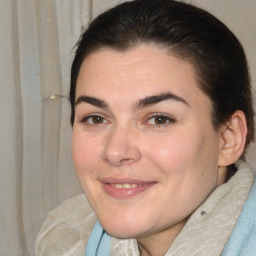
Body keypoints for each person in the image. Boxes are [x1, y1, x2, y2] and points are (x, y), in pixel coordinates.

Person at [35, 0, 256, 255]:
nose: (116, 151)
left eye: (159, 119)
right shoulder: (65, 238)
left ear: (228, 138)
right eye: (96, 118)